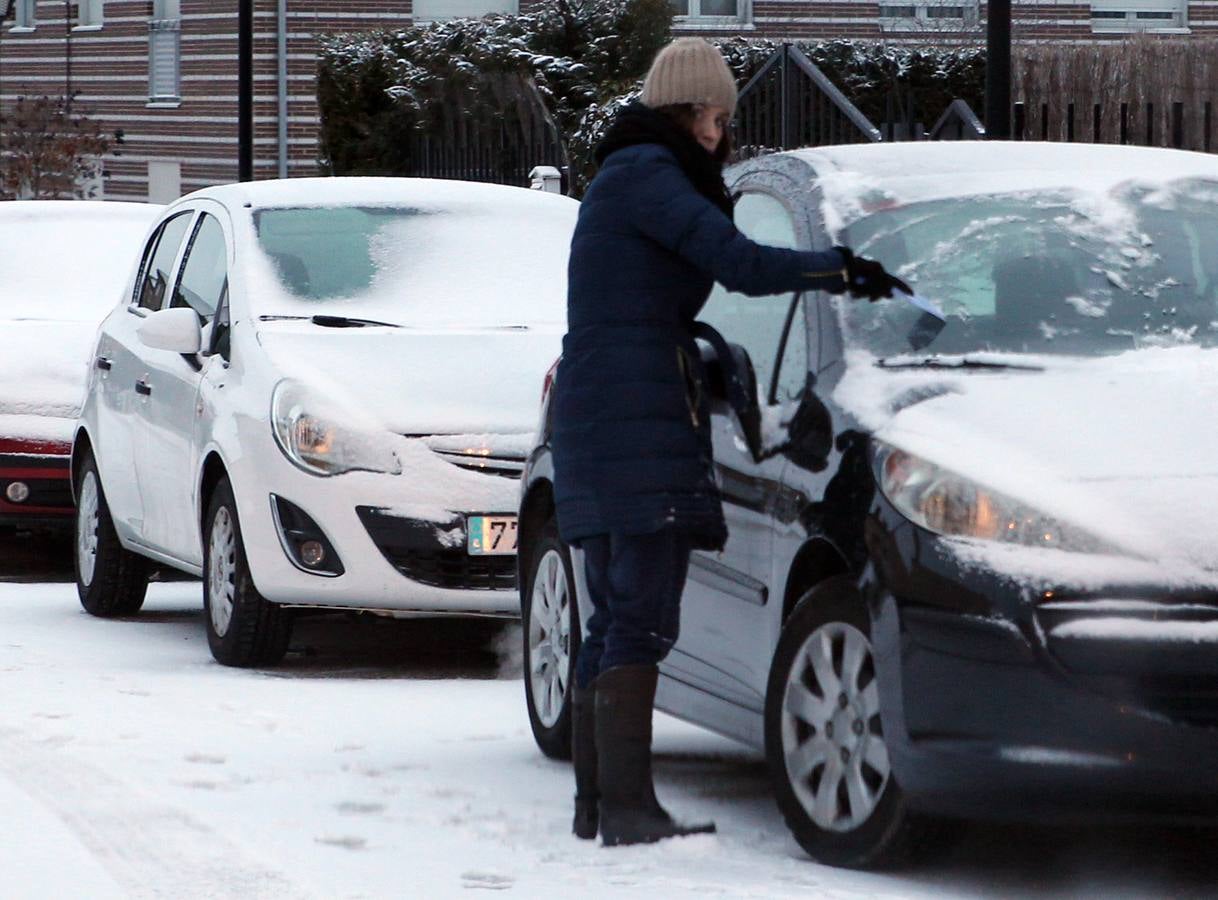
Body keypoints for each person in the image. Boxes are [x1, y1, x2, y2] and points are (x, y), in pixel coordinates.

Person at [551, 37, 905, 848]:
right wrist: (839, 271)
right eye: (710, 116)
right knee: (638, 615)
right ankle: (627, 809)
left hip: (608, 404)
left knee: (614, 614)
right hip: (633, 406)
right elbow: (739, 265)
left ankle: (599, 805)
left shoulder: (628, 176)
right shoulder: (648, 175)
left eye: (723, 119)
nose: (718, 132)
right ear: (681, 112)